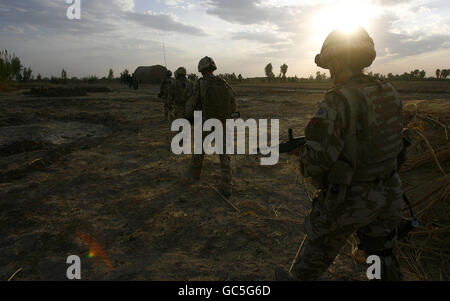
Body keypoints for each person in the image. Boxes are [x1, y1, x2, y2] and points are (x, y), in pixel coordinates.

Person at [276, 27, 405, 281]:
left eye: (331, 64)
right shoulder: (388, 91)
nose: (330, 71)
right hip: (389, 193)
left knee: (310, 263)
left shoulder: (339, 99)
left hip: (350, 201)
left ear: (338, 61)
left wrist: (301, 156)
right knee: (381, 262)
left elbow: (317, 161)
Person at [184, 56, 237, 197]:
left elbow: (192, 102)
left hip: (206, 122)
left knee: (199, 151)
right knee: (224, 155)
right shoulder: (224, 82)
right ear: (213, 68)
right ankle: (227, 186)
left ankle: (193, 177)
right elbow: (233, 103)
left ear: (201, 69)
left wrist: (188, 116)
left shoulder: (200, 83)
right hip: (222, 122)